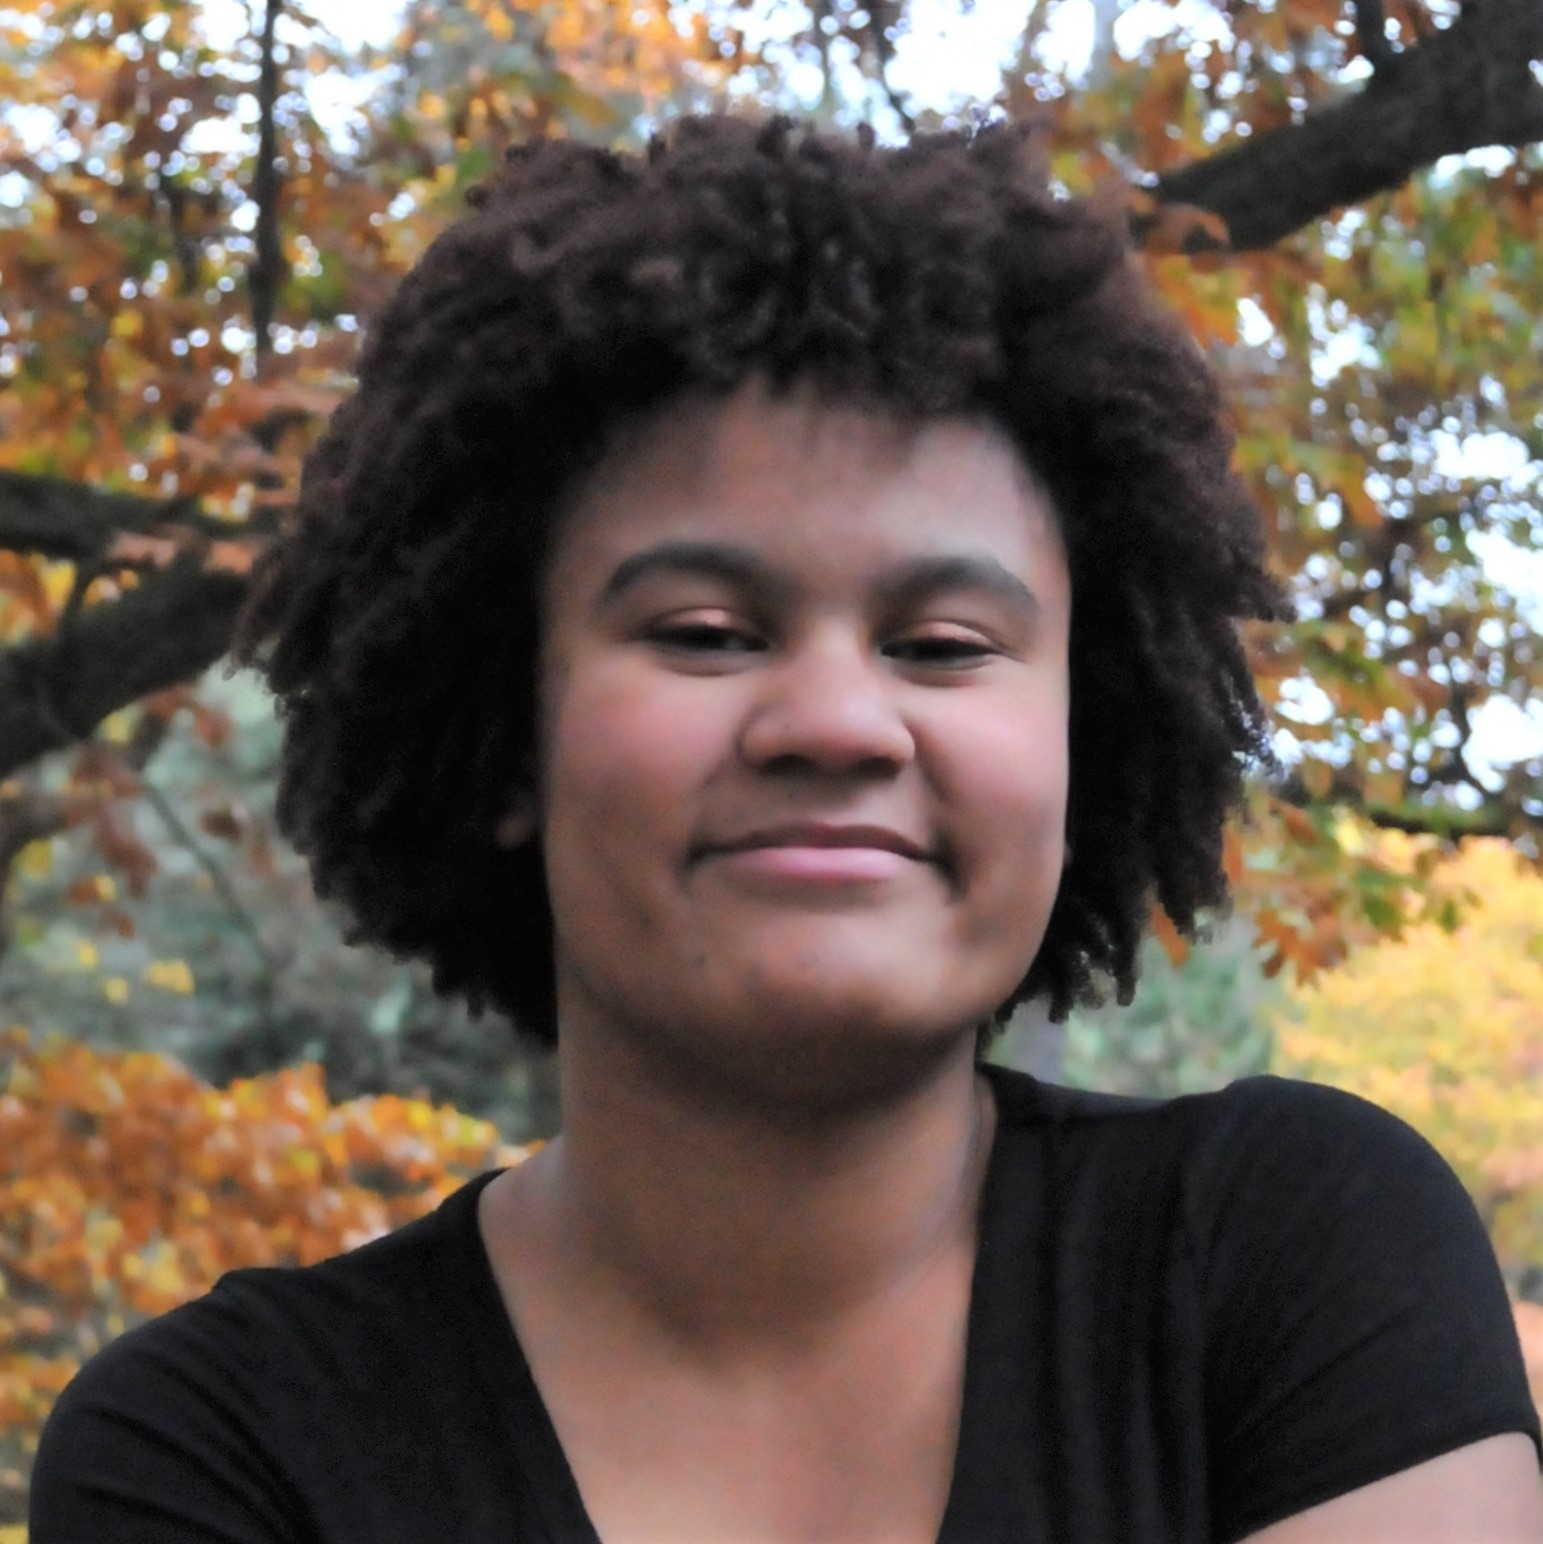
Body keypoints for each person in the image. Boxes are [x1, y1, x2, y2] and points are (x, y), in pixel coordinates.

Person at [31, 115, 1543, 1544]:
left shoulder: (1294, 1258)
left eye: (942, 646)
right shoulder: (220, 1451)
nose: (836, 721)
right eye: (704, 632)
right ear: (502, 736)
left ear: (1083, 747)